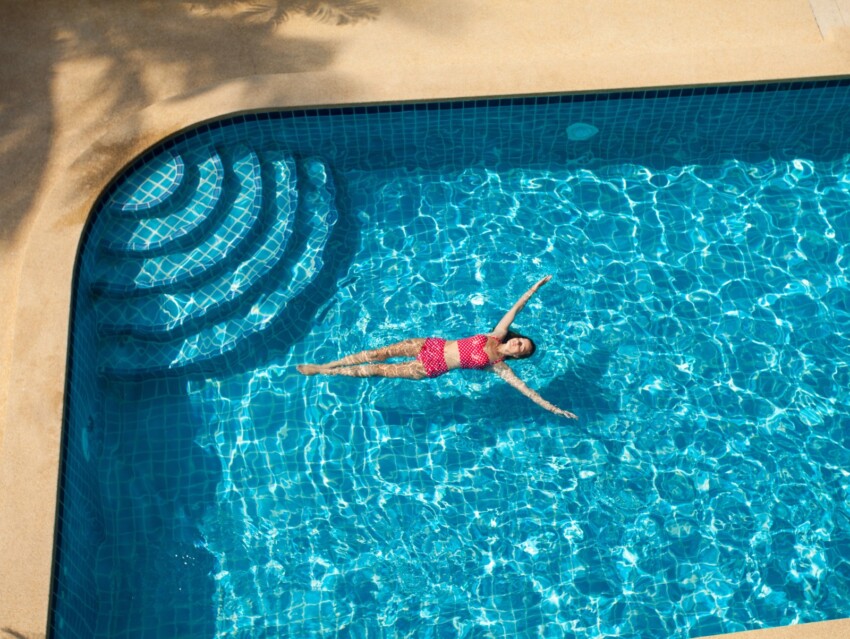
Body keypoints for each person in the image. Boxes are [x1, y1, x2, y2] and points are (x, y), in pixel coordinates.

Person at [298, 275, 577, 419]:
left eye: (522, 348)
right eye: (520, 339)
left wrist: (553, 409)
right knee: (377, 353)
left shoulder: (498, 366)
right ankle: (329, 364)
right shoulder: (496, 334)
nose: (517, 343)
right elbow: (516, 307)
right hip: (430, 345)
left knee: (377, 369)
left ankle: (323, 372)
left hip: (431, 366)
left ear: (518, 356)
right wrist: (535, 287)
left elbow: (528, 392)